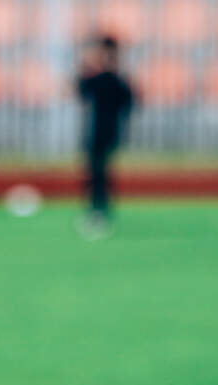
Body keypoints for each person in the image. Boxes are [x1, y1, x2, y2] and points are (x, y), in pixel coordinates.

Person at [76, 35, 135, 237]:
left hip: (108, 130)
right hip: (96, 130)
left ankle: (99, 211)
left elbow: (128, 100)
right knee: (95, 172)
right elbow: (82, 90)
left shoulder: (116, 79)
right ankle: (97, 209)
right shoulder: (101, 77)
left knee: (100, 173)